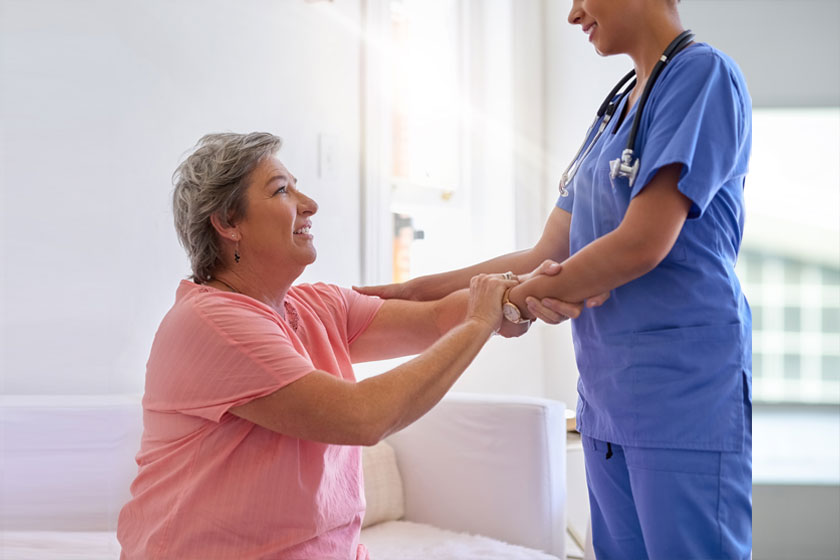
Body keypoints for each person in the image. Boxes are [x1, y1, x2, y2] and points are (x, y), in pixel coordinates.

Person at [358, 1, 753, 558]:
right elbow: (551, 249)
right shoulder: (618, 108)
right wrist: (416, 290)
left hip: (682, 391)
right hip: (607, 394)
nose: (572, 14)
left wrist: (502, 305)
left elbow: (643, 241)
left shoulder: (701, 76)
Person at [116, 132, 579, 560]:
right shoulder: (211, 323)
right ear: (227, 223)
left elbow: (437, 316)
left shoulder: (318, 306)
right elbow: (364, 417)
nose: (309, 204)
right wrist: (484, 320)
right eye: (281, 191)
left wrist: (529, 293)